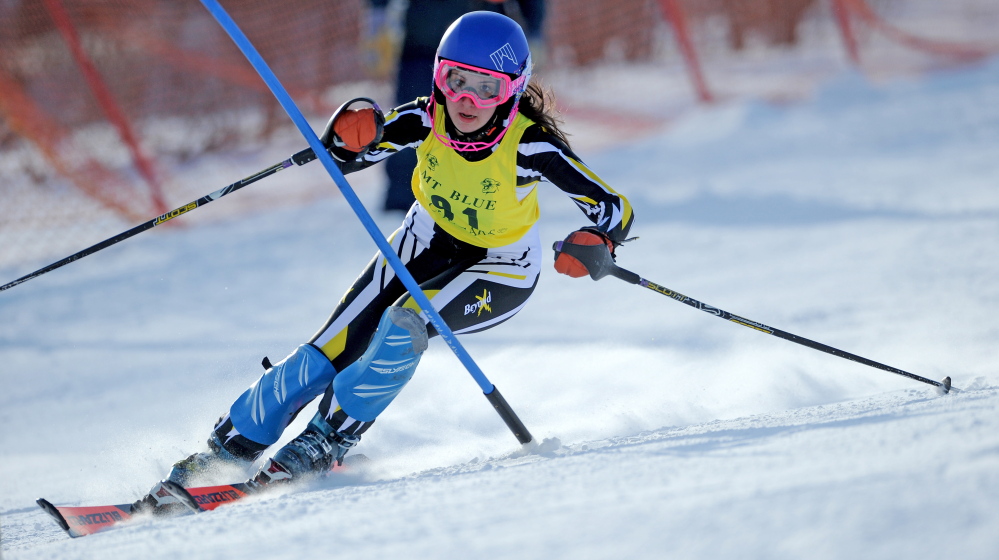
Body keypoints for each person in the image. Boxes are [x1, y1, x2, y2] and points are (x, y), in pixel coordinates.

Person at [148, 11, 634, 496]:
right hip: (422, 241)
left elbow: (613, 207)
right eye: (455, 80)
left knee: (403, 326)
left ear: (512, 90)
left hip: (500, 268)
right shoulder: (426, 117)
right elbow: (353, 155)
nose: (465, 99)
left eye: (486, 88)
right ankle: (228, 450)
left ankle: (328, 440)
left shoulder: (530, 144)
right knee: (331, 347)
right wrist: (347, 138)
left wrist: (598, 243)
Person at [367, 0, 546, 212]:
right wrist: (377, 16)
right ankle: (402, 198)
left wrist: (533, 31)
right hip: (422, 44)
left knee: (479, 128)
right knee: (412, 120)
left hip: (482, 56)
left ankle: (474, 198)